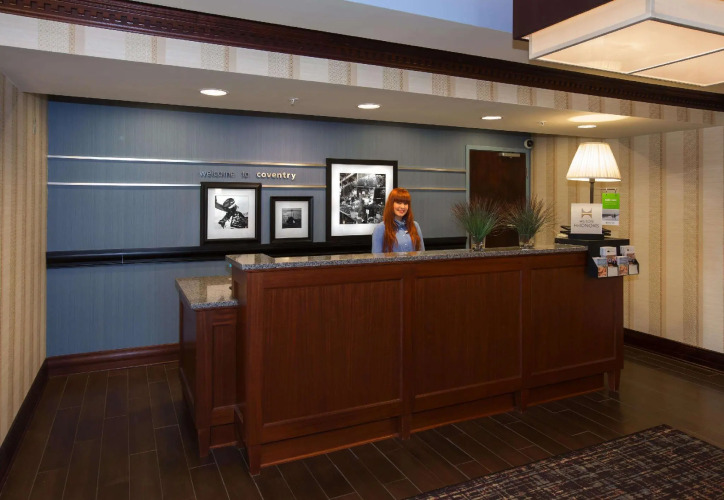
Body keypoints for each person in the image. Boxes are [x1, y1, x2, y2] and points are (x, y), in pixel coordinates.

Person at [371, 188, 425, 253]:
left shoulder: (415, 226)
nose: (402, 207)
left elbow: (422, 254)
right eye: (399, 203)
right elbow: (376, 257)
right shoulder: (380, 229)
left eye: (405, 203)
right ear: (391, 204)